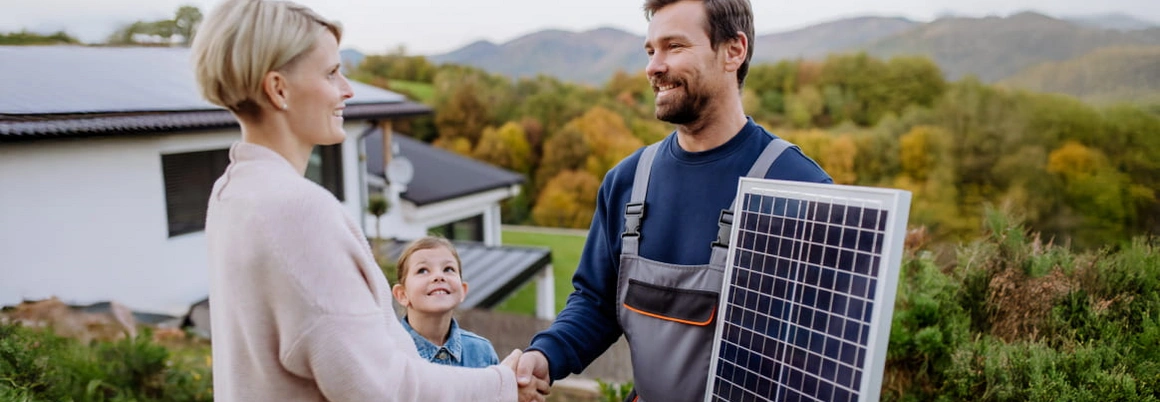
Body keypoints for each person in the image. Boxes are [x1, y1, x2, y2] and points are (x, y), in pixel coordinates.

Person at [193, 0, 546, 400]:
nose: (347, 89)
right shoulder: (297, 211)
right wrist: (501, 385)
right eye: (331, 73)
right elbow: (381, 387)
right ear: (278, 89)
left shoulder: (231, 195)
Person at [514, 0, 833, 401]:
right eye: (650, 51)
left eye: (674, 47)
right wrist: (545, 355)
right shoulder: (627, 181)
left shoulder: (801, 188)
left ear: (734, 50)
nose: (654, 66)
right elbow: (596, 302)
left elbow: (826, 352)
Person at [392, 236, 500, 368]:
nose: (439, 276)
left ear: (462, 290)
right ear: (402, 294)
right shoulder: (386, 352)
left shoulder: (482, 352)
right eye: (423, 270)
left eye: (448, 269)